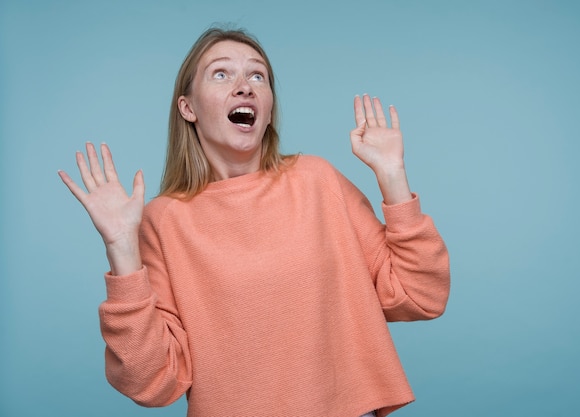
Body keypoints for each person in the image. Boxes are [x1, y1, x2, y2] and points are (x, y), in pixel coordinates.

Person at [58, 27, 450, 417]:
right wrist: (122, 248)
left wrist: (393, 175)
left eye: (257, 76)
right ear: (188, 108)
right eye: (222, 73)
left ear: (268, 106)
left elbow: (421, 295)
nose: (244, 86)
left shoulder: (317, 180)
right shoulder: (163, 221)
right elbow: (152, 380)